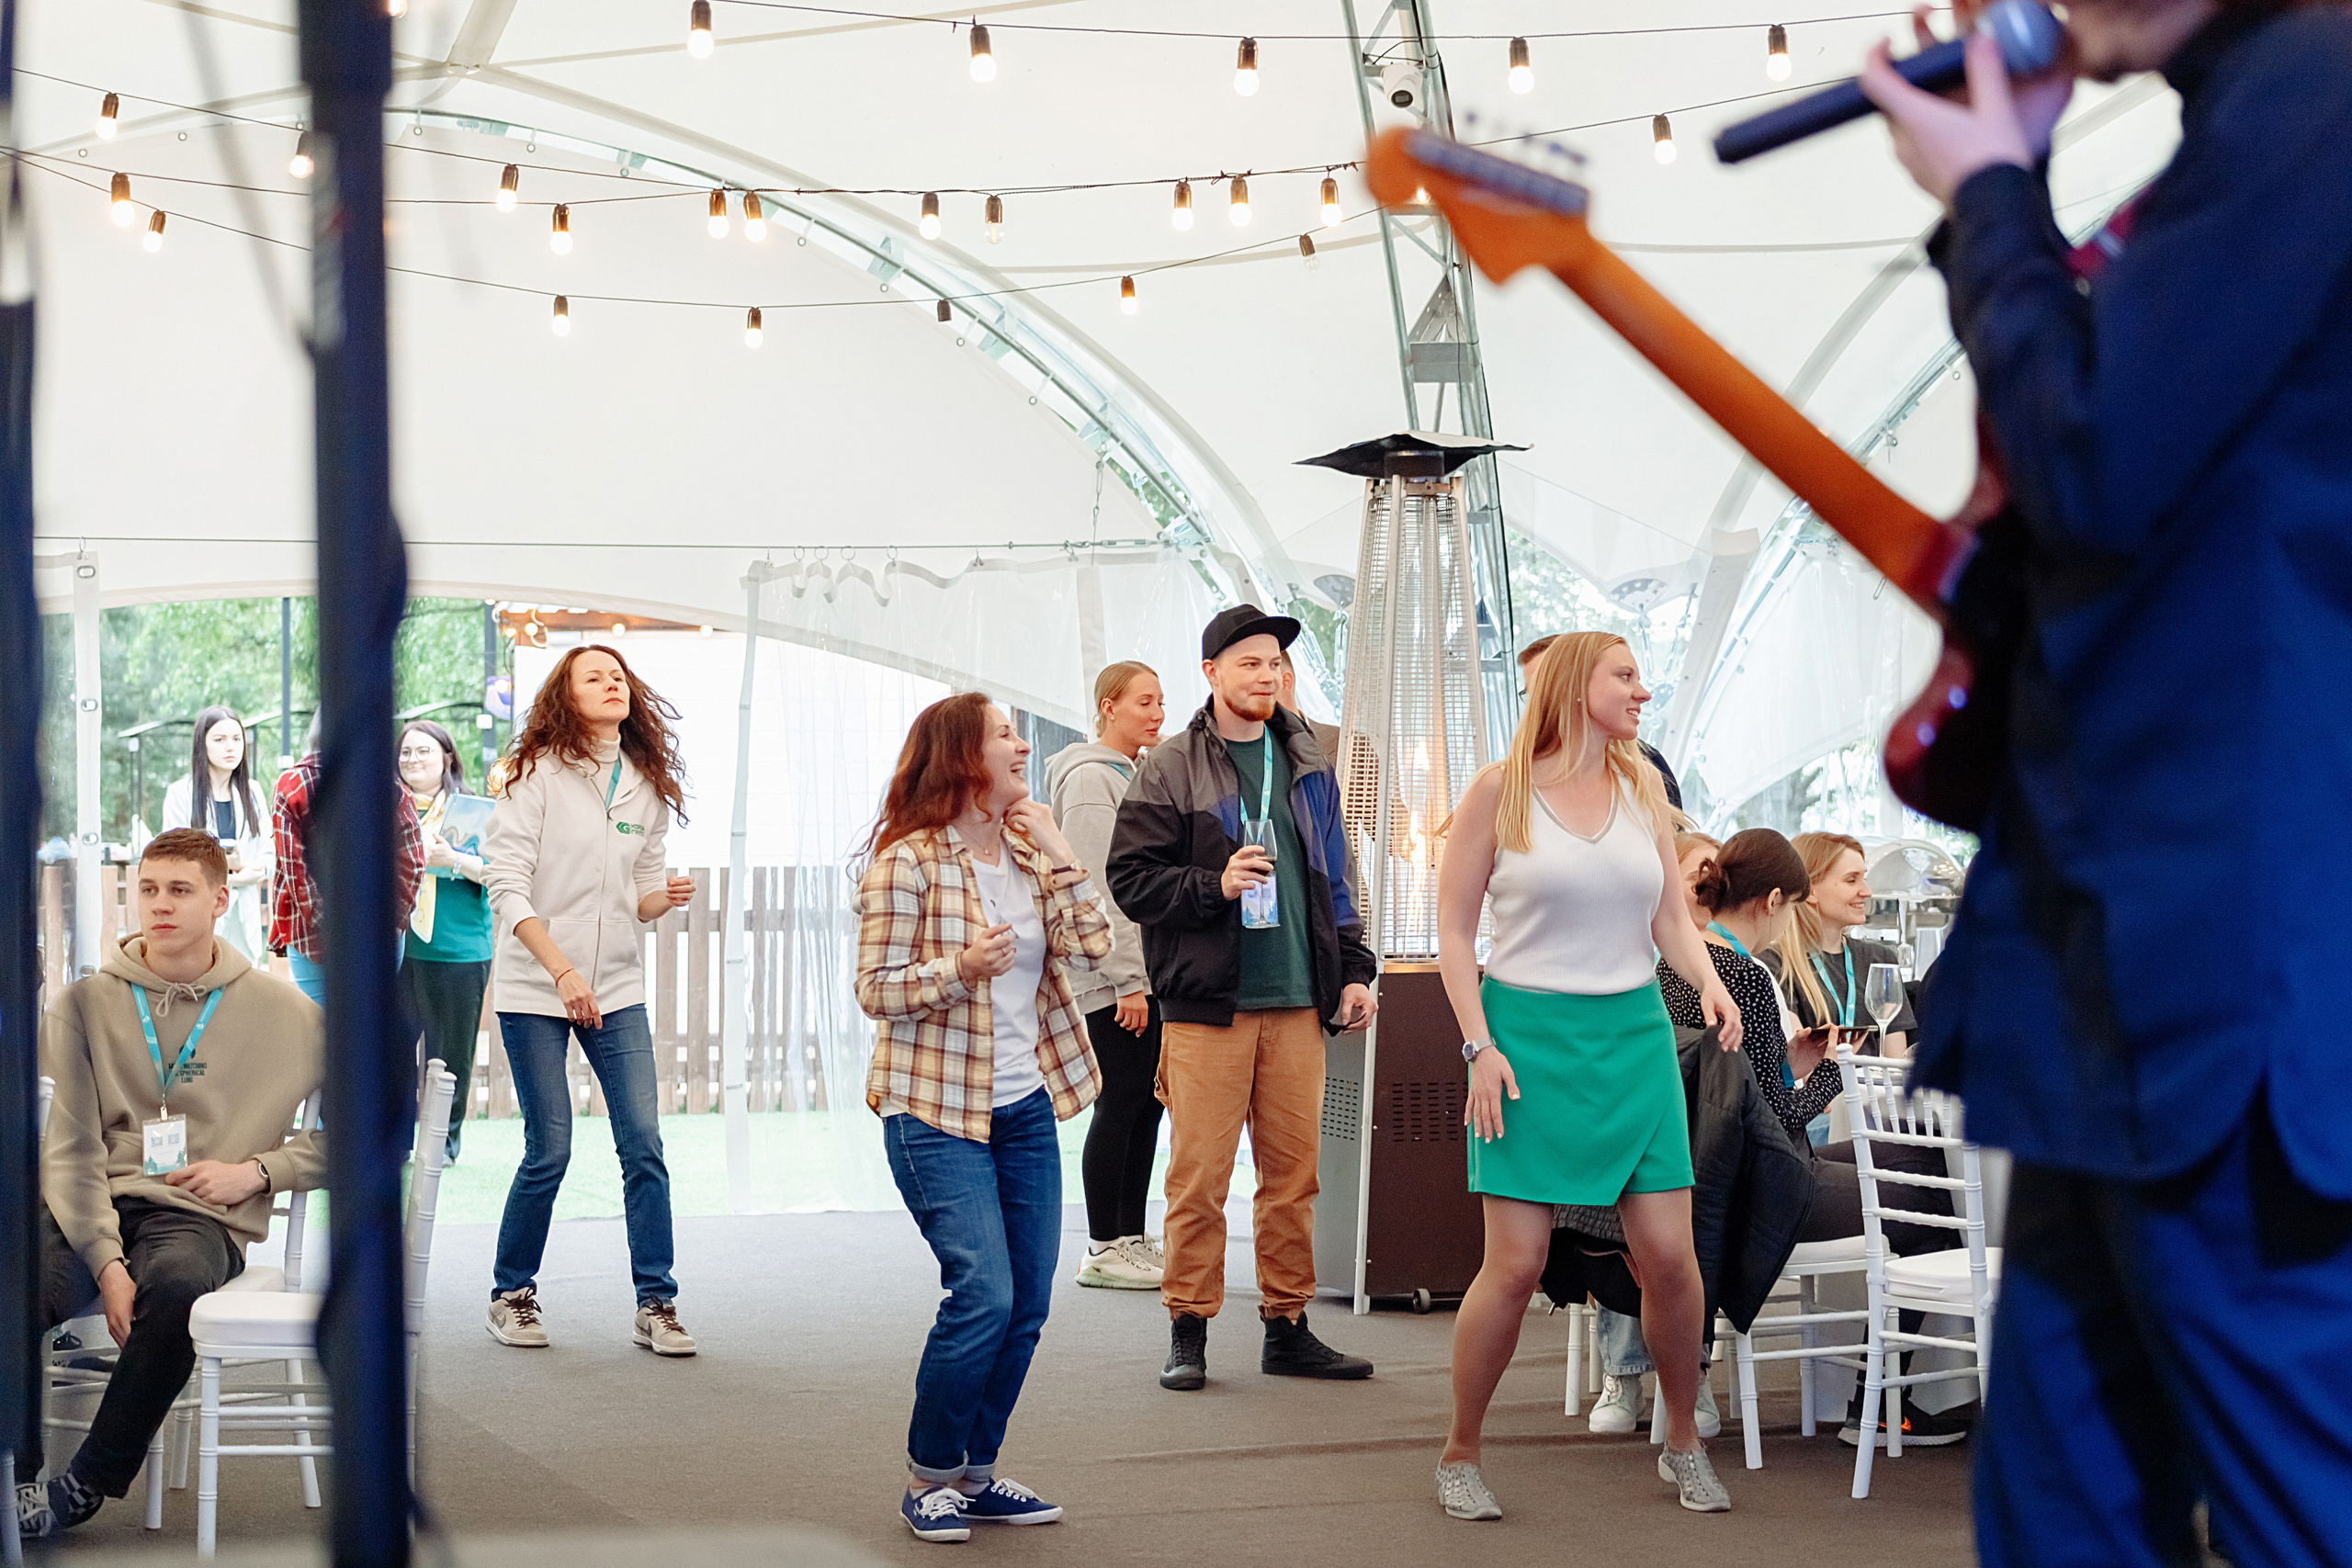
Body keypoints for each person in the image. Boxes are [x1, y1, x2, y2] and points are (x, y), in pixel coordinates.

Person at [1857, 3, 2352, 1553]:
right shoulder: (2255, 125)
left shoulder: (2321, 91)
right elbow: (2086, 443)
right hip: (2120, 960)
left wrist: (1994, 199)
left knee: (2292, 1500)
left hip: (2218, 970)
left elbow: (2099, 468)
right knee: (2062, 1508)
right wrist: (1997, 209)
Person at [1431, 631, 1743, 1519]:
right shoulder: (1501, 788)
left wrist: (1715, 986)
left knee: (1672, 1261)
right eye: (1626, 675)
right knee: (1517, 1264)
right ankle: (1460, 1451)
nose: (1642, 692)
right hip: (1523, 1041)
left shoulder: (1643, 787)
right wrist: (1477, 1045)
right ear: (1577, 687)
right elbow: (1456, 932)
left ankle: (1682, 1437)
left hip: (1634, 1036)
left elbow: (1671, 922)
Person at [854, 692, 1112, 1541]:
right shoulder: (909, 862)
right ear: (965, 757)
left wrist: (1064, 849)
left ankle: (975, 1470)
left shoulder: (1031, 853)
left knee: (1028, 1300)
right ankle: (929, 1476)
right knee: (984, 1293)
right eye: (1007, 735)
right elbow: (875, 990)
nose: (1023, 747)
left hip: (1024, 1106)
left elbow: (1092, 946)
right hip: (933, 1109)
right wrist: (959, 967)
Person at [20, 829, 323, 1540]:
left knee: (180, 1284)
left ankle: (86, 1482)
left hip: (194, 1214)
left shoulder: (286, 1014)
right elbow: (68, 1150)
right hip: (83, 1202)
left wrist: (261, 1170)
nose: (159, 904)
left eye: (180, 889)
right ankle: (15, 1480)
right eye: (148, 889)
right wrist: (106, 1262)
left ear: (220, 900)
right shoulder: (84, 1004)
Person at [1107, 605, 1380, 1393]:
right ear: (1214, 673)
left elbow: (1337, 878)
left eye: (1276, 665)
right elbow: (1129, 878)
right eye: (1251, 663)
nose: (1267, 675)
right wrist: (1211, 886)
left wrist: (1355, 968)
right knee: (1199, 1177)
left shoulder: (1309, 760)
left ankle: (1286, 1325)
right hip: (1207, 1006)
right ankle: (1188, 1326)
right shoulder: (1169, 765)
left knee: (1293, 1177)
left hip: (1299, 1000)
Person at [1662, 829, 1964, 1445]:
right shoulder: (1743, 976)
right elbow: (1780, 1112)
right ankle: (1877, 1403)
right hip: (1767, 1178)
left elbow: (1738, 1092)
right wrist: (1834, 1069)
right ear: (1772, 901)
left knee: (1909, 1161)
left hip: (1713, 1172)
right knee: (1933, 1202)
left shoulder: (1682, 963)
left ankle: (1874, 1400)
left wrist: (1793, 1059)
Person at [482, 646, 696, 1356]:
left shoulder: (645, 783)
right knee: (552, 1146)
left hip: (618, 987)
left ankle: (656, 1302)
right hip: (536, 983)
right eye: (593, 676)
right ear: (565, 697)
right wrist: (563, 971)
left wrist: (664, 897)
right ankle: (511, 1292)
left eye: (618, 675)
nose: (611, 683)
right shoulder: (532, 775)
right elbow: (507, 886)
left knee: (644, 1141)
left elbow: (640, 897)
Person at [1587, 826, 1731, 1438]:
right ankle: (1625, 1367)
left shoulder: (1731, 968)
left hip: (1714, 1142)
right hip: (1616, 1113)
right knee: (1622, 1213)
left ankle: (1687, 1370)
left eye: (1718, 866)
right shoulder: (1631, 964)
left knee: (1698, 1210)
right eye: (1700, 866)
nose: (1712, 877)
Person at [1044, 661, 1167, 1291]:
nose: (1156, 712)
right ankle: (1101, 1242)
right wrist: (1126, 980)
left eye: (1161, 701)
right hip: (1113, 976)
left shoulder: (1133, 773)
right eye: (1143, 701)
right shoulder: (1093, 780)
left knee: (1146, 1102)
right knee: (1120, 1100)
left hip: (1139, 972)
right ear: (1108, 706)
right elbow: (1098, 886)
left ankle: (1130, 1235)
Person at [268, 713, 425, 1008]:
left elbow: (295, 868)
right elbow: (412, 862)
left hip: (311, 935)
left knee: (317, 1031)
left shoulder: (291, 784)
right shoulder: (390, 788)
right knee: (370, 1033)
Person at [399, 718, 493, 1164]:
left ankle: (443, 1144)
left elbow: (499, 873)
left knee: (448, 1054)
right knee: (394, 1048)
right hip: (401, 951)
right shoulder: (391, 811)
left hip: (459, 951)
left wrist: (453, 859)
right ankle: (396, 1143)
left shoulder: (475, 811)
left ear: (447, 758)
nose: (412, 760)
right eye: (406, 753)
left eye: (424, 752)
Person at [1767, 832, 1917, 1059]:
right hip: (1823, 1094)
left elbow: (1895, 1065)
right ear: (1810, 891)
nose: (1867, 891)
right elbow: (1799, 1072)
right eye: (1851, 880)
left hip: (1875, 1093)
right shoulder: (1775, 964)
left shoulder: (1880, 959)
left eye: (1864, 878)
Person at [1518, 635, 1682, 812]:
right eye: (1536, 689)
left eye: (1554, 680)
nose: (1549, 693)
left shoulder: (1648, 769)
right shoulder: (1513, 782)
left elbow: (1679, 837)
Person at [158, 705, 273, 960]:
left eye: (236, 739)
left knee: (242, 992)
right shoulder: (180, 794)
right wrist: (225, 869)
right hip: (198, 915)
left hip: (244, 918)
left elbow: (269, 851)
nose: (230, 747)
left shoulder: (252, 792)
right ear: (203, 745)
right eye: (219, 740)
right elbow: (173, 858)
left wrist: (250, 871)